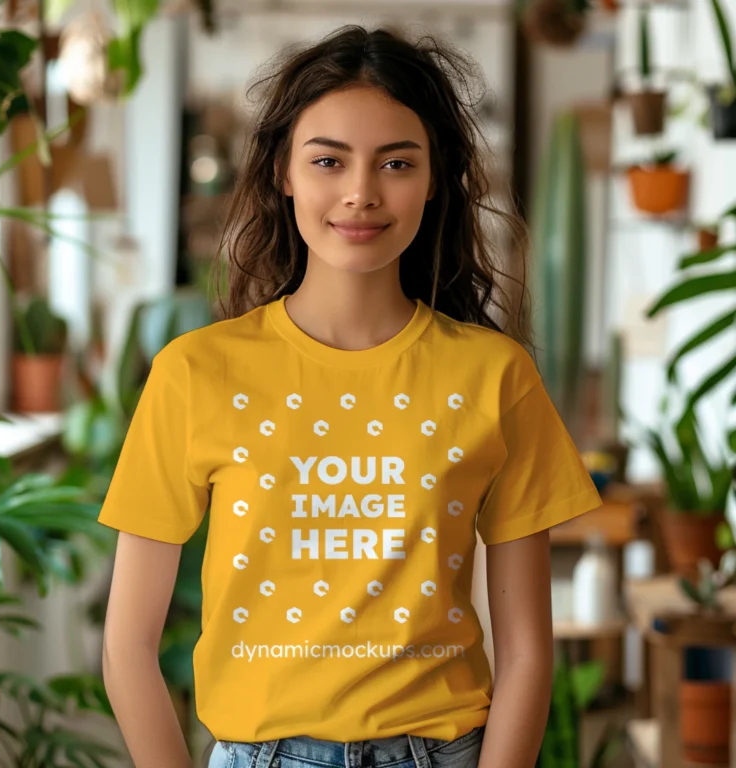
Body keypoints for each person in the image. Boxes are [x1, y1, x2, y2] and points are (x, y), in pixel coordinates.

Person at [98, 23, 603, 768]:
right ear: (284, 173)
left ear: (435, 178)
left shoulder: (495, 377)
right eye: (328, 160)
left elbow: (528, 650)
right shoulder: (195, 372)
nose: (361, 193)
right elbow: (128, 645)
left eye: (396, 162)